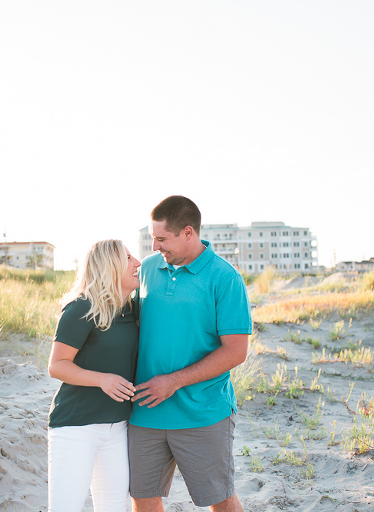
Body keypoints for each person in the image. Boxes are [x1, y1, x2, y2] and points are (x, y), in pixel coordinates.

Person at [129, 196, 253, 512]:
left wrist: (174, 381)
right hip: (146, 409)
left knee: (220, 501)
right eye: (152, 238)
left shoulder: (225, 278)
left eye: (161, 238)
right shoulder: (148, 270)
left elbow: (236, 352)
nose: (155, 246)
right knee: (142, 497)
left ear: (187, 233)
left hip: (203, 412)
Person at [47, 239, 141, 512]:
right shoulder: (81, 308)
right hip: (76, 427)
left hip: (118, 427)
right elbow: (57, 366)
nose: (137, 262)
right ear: (110, 267)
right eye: (128, 258)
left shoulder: (134, 310)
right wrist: (103, 379)